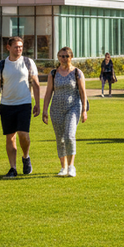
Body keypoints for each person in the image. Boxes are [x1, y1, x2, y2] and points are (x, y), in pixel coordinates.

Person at [0, 36, 41, 178]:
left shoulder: (28, 62)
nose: (19, 49)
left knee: (23, 135)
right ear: (8, 47)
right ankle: (13, 168)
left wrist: (37, 103)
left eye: (21, 47)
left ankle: (26, 157)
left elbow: (36, 84)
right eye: (16, 47)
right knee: (10, 137)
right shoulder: (1, 65)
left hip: (24, 104)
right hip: (6, 105)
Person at [42, 47, 87, 177]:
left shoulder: (77, 73)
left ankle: (71, 166)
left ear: (71, 57)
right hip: (56, 108)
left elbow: (83, 93)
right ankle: (63, 167)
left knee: (69, 135)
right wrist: (45, 110)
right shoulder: (53, 73)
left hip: (73, 107)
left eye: (66, 56)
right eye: (61, 56)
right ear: (58, 57)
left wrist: (84, 110)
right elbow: (48, 92)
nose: (64, 59)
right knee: (60, 138)